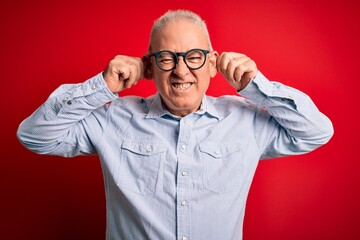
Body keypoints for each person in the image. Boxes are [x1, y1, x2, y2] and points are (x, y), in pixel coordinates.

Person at [17, 9, 333, 240]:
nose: (181, 72)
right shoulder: (113, 119)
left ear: (212, 65)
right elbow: (34, 136)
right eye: (167, 58)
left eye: (194, 56)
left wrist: (256, 85)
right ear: (149, 67)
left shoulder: (245, 121)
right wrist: (103, 85)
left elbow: (316, 132)